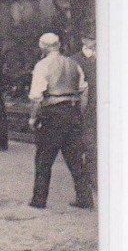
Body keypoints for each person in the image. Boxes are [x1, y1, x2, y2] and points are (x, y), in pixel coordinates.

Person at [28, 32, 93, 210]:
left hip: (51, 114)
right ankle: (85, 198)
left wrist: (33, 117)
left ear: (43, 47)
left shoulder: (42, 66)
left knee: (44, 158)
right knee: (75, 159)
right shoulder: (73, 64)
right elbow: (84, 90)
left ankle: (39, 200)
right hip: (72, 112)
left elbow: (36, 97)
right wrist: (79, 112)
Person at [75, 34, 97, 193]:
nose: (94, 41)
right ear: (83, 41)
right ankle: (92, 178)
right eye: (90, 38)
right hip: (87, 108)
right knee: (90, 144)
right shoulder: (75, 60)